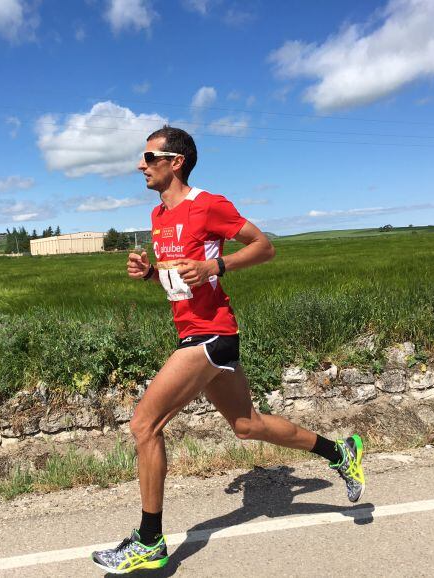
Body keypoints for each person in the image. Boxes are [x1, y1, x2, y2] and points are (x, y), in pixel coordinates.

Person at [91, 126, 365, 574]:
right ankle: (341, 453)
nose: (140, 165)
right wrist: (148, 274)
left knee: (144, 425)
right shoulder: (158, 216)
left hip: (212, 334)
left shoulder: (209, 205)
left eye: (148, 156)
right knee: (246, 425)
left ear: (175, 161)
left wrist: (216, 265)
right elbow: (178, 275)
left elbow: (265, 246)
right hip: (192, 332)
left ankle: (149, 540)